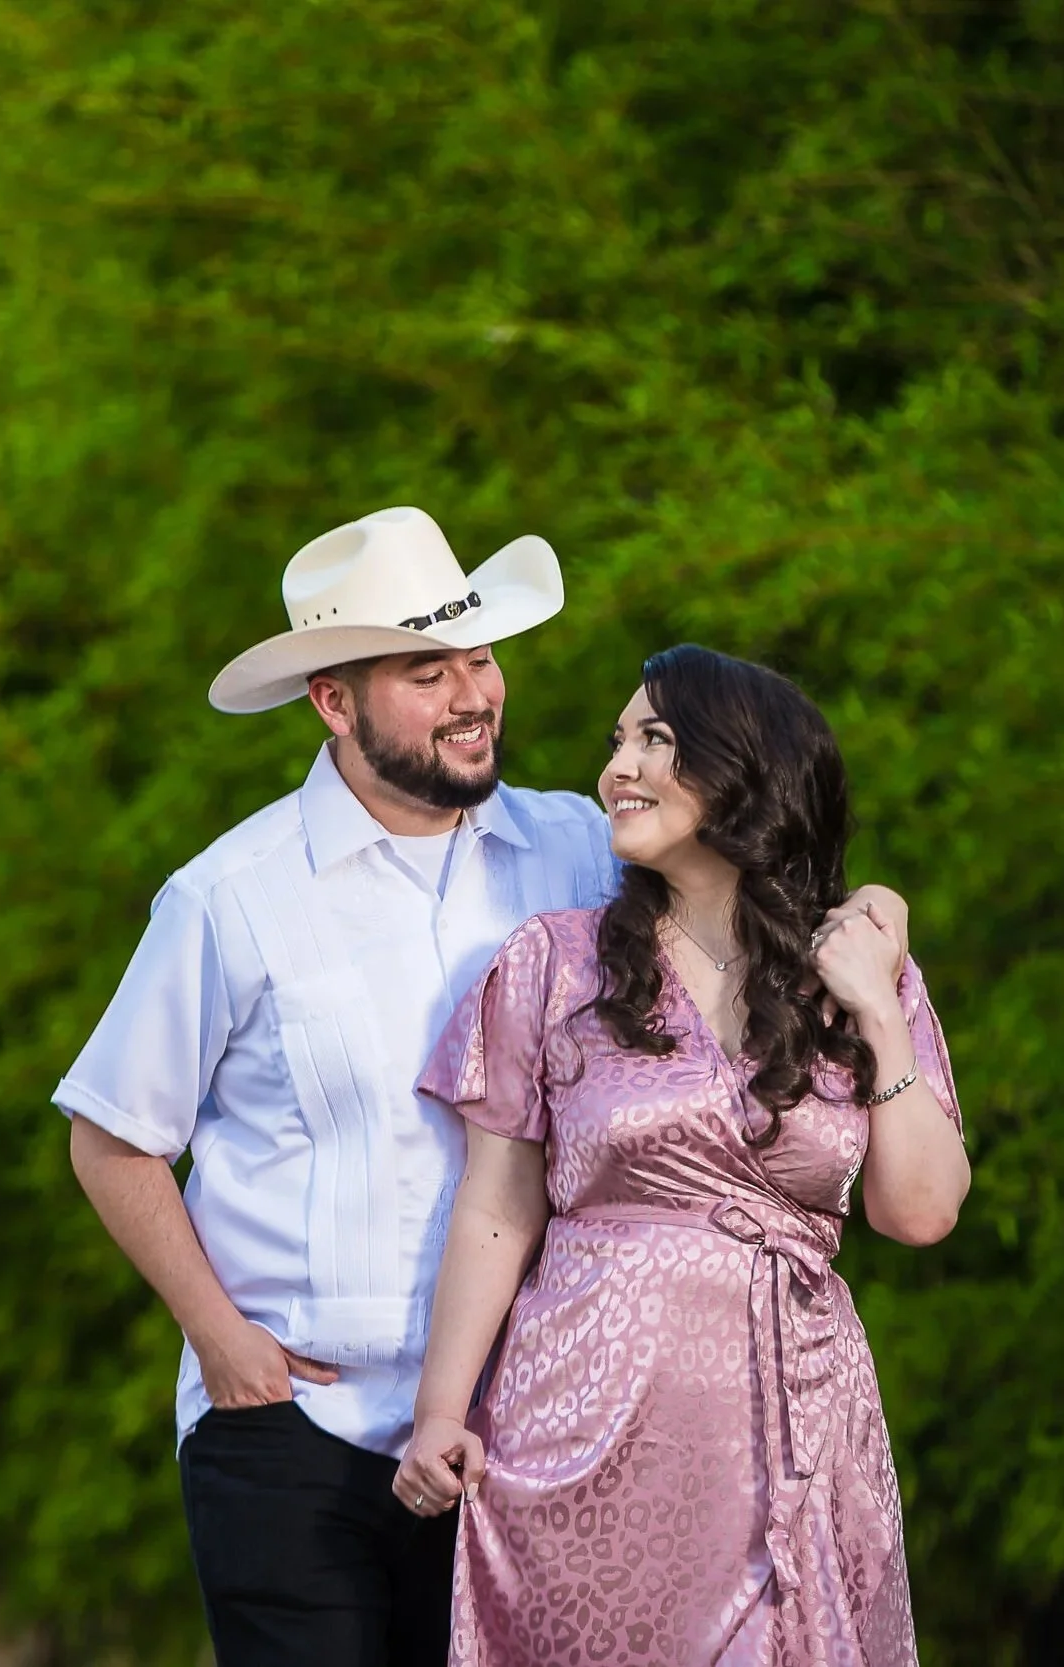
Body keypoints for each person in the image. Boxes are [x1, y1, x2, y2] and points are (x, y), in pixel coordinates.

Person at [54, 507, 906, 1667]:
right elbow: (111, 1135)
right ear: (334, 702)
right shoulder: (230, 898)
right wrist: (218, 1335)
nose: (472, 695)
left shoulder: (576, 849)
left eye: (480, 658)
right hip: (294, 1426)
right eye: (425, 672)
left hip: (517, 1430)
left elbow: (742, 868)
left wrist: (877, 915)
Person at [395, 644, 969, 1667]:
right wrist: (441, 1408)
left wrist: (878, 1005)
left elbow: (920, 1211)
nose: (617, 765)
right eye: (616, 740)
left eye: (654, 737)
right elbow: (495, 1204)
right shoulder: (551, 960)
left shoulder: (863, 968)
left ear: (746, 764)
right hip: (582, 1417)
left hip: (793, 1414)